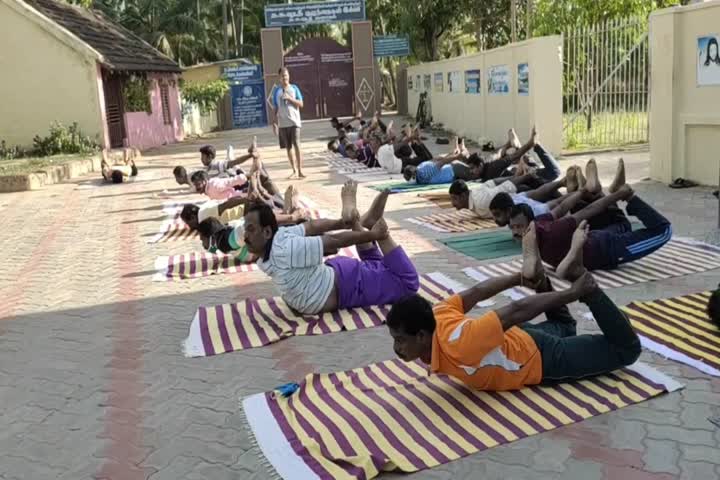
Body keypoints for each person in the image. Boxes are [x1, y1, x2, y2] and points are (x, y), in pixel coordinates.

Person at [386, 221, 641, 391]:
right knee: (566, 325)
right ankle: (546, 274)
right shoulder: (436, 313)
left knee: (626, 350)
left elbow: (516, 310)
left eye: (400, 340)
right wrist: (519, 278)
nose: (397, 348)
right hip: (521, 336)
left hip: (539, 358)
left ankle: (587, 285)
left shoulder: (460, 345)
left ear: (421, 335)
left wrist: (574, 293)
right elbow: (476, 292)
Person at [235, 182, 419, 315]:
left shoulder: (277, 247)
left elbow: (314, 228)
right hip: (342, 285)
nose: (245, 236)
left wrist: (342, 223)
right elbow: (331, 240)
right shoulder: (281, 244)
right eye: (246, 230)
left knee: (378, 265)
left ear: (268, 232)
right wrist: (375, 236)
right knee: (409, 282)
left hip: (336, 281)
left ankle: (360, 222)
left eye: (250, 229)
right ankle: (368, 226)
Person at [509, 159, 672, 271]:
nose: (516, 232)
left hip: (607, 250)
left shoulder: (553, 231)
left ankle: (620, 193)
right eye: (513, 228)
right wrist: (583, 191)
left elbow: (587, 211)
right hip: (596, 237)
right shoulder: (539, 224)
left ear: (531, 223)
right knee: (623, 225)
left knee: (664, 231)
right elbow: (560, 208)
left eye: (519, 227)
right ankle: (596, 189)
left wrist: (619, 196)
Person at [449, 173, 564, 220]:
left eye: (454, 198)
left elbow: (504, 188)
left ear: (463, 195)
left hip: (515, 199)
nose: (452, 203)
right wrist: (516, 174)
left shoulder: (481, 202)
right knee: (539, 194)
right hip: (515, 198)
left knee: (551, 203)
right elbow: (493, 182)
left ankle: (573, 191)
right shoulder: (474, 194)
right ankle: (564, 183)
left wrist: (524, 176)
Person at [271, 67, 305, 179]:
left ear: (289, 76)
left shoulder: (294, 88)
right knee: (288, 147)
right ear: (279, 78)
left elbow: (301, 104)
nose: (284, 77)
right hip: (283, 123)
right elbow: (275, 108)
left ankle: (300, 170)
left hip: (294, 122)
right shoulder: (277, 91)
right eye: (282, 76)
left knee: (297, 144)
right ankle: (294, 170)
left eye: (286, 75)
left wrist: (290, 99)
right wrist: (274, 122)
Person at [402, 137, 480, 185]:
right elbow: (436, 160)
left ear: (414, 174)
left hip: (454, 171)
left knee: (475, 175)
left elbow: (441, 163)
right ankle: (461, 150)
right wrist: (451, 154)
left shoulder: (424, 173)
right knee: (466, 163)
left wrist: (457, 156)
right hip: (452, 170)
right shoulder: (420, 169)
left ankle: (464, 151)